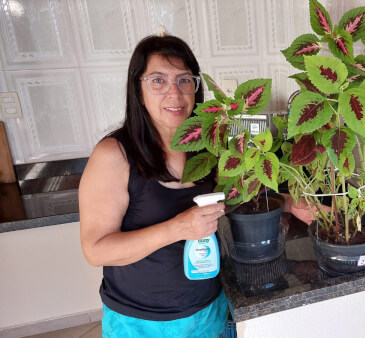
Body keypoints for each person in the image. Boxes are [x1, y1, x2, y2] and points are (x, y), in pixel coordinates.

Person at [79, 34, 320, 337]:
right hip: (142, 323)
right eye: (158, 80)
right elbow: (96, 250)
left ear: (196, 87)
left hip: (209, 310)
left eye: (184, 80)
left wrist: (287, 201)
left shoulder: (208, 144)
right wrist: (177, 228)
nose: (174, 93)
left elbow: (231, 197)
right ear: (138, 90)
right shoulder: (114, 156)